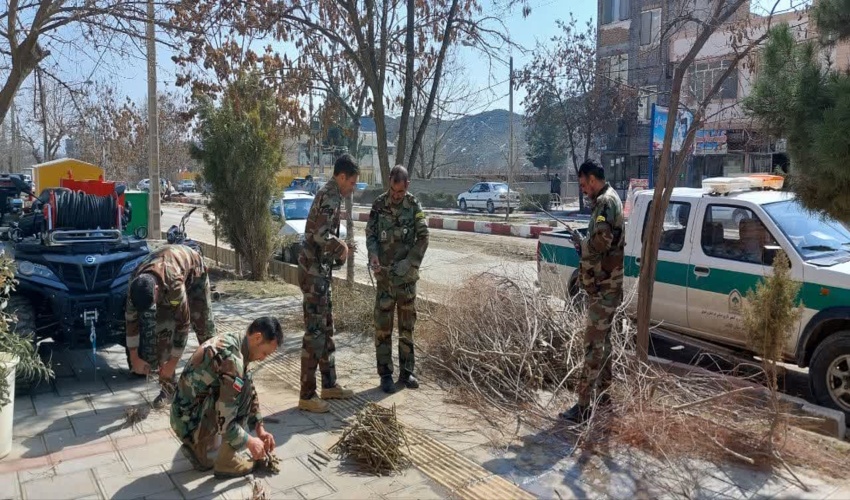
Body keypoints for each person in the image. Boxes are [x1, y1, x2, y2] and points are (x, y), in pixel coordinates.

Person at [171, 317, 282, 478]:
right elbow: (226, 419)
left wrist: (260, 428)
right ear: (257, 337)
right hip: (188, 421)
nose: (263, 358)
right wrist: (250, 442)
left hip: (184, 415)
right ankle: (226, 461)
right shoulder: (233, 360)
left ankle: (197, 447)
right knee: (237, 394)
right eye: (265, 353)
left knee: (243, 386)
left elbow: (249, 386)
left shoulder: (236, 340)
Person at [561, 160, 625, 424]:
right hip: (606, 285)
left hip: (604, 287)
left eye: (583, 184)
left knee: (592, 345)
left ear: (591, 178)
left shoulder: (605, 203)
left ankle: (584, 405)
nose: (583, 189)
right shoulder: (606, 200)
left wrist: (583, 244)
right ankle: (604, 398)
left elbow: (602, 241)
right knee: (604, 344)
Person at [297, 154, 360, 413]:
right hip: (313, 275)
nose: (353, 188)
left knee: (326, 328)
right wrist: (341, 246)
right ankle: (307, 394)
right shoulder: (331, 195)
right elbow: (319, 234)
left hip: (319, 271)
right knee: (315, 333)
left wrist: (339, 248)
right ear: (341, 176)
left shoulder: (332, 194)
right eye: (352, 182)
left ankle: (329, 384)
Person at [126, 244, 216, 409]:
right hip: (166, 279)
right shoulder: (135, 284)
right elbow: (131, 320)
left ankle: (218, 380)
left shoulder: (173, 284)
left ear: (156, 290)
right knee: (163, 334)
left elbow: (183, 323)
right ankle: (169, 389)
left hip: (195, 273)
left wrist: (173, 363)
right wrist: (134, 357)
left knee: (204, 329)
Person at [365, 166, 429, 393]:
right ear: (389, 184)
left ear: (407, 186)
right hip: (384, 280)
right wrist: (373, 255)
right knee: (383, 329)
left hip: (406, 281)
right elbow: (370, 234)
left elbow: (424, 237)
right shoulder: (378, 205)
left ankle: (407, 372)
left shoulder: (414, 206)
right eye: (393, 191)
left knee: (406, 328)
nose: (395, 196)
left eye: (400, 192)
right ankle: (385, 375)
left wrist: (410, 261)